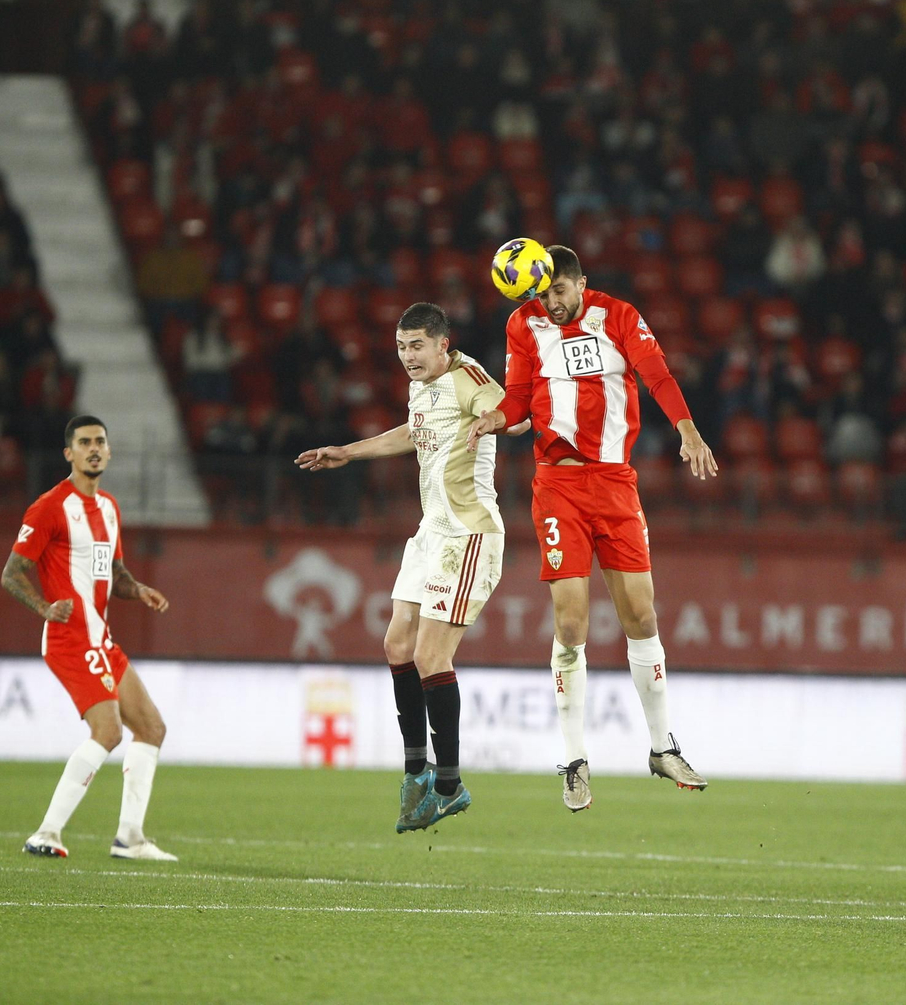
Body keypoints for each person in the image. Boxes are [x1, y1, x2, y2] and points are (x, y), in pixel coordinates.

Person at [466, 244, 718, 811]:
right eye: (541, 292)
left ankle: (661, 747)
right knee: (572, 620)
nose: (550, 302)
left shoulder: (619, 316)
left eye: (559, 291)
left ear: (581, 284)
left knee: (642, 615)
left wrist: (688, 429)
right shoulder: (522, 323)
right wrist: (494, 419)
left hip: (615, 483)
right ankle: (575, 759)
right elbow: (520, 400)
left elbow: (656, 373)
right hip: (557, 484)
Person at [296, 303, 525, 832]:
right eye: (402, 348)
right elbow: (411, 433)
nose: (408, 357)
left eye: (417, 346)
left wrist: (496, 419)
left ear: (444, 343)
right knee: (396, 645)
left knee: (429, 654)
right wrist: (348, 452)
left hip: (469, 534)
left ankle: (449, 784)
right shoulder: (422, 387)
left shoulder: (469, 378)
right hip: (430, 533)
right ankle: (416, 772)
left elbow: (517, 413)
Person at [0, 415, 176, 861]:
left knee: (151, 728)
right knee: (109, 729)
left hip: (102, 639)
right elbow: (11, 573)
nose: (94, 448)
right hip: (69, 638)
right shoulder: (50, 507)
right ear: (69, 453)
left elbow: (112, 573)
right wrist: (43, 607)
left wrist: (138, 590)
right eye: (84, 442)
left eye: (100, 441)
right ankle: (46, 833)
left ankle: (130, 838)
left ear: (109, 451)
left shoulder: (110, 508)